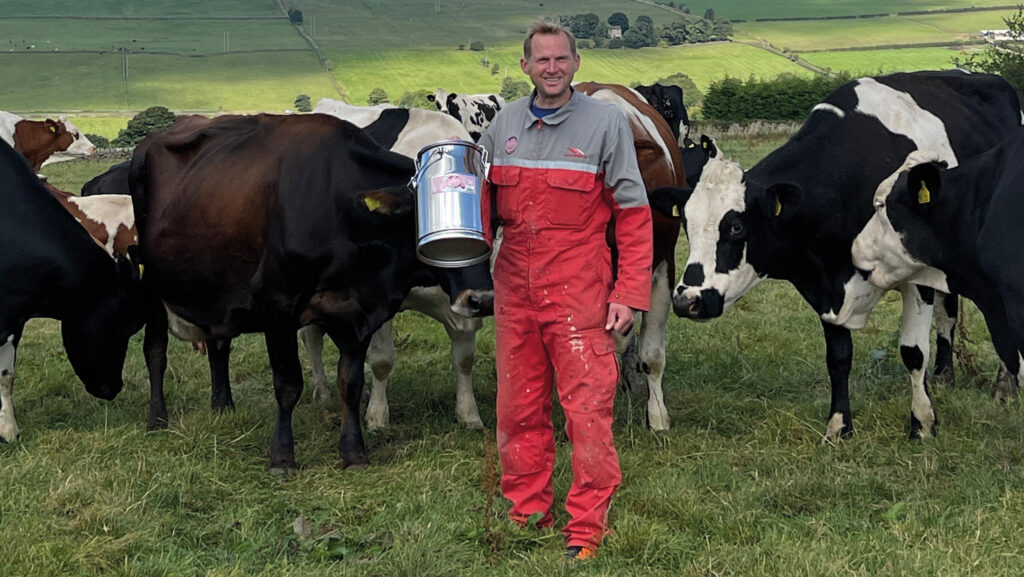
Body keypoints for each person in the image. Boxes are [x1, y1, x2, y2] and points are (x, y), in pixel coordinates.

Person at [477, 19, 653, 560]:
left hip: (579, 288)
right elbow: (479, 211)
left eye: (561, 59)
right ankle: (528, 511)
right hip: (514, 291)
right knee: (518, 407)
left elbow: (634, 213)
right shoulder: (501, 125)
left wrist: (629, 292)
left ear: (576, 64)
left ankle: (586, 529)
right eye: (541, 60)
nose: (551, 68)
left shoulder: (605, 124)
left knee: (587, 411)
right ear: (525, 66)